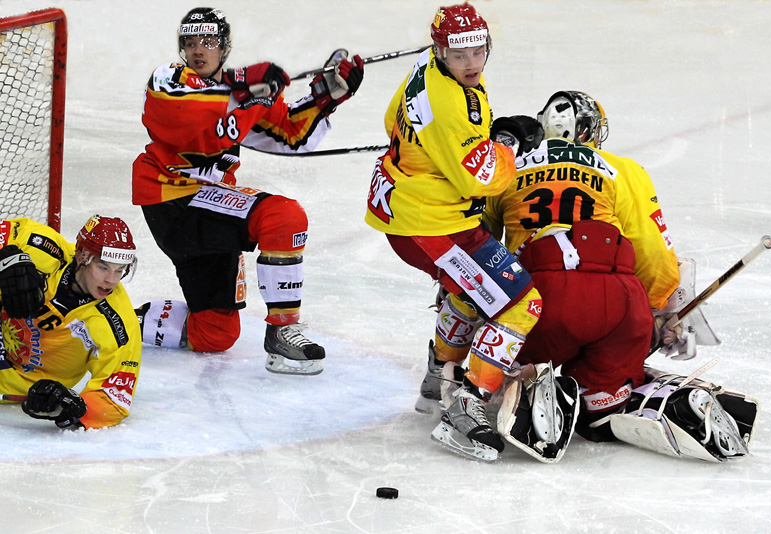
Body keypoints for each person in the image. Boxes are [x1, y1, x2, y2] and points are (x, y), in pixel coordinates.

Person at [485, 91, 757, 462]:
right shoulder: (621, 169)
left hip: (543, 302)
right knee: (603, 408)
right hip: (618, 302)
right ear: (585, 131)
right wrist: (658, 316)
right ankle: (637, 398)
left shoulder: (507, 167)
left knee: (507, 365)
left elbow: (478, 247)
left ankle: (538, 386)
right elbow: (653, 252)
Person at [132, 7, 364, 375]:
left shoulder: (242, 93)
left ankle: (121, 319)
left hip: (212, 207)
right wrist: (246, 86)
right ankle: (283, 331)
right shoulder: (169, 79)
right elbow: (191, 116)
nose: (198, 51)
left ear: (223, 47)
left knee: (214, 335)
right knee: (283, 216)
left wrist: (327, 98)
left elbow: (290, 135)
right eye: (190, 43)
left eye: (207, 42)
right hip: (172, 202)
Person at [364, 3, 543, 461]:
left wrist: (425, 158)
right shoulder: (450, 101)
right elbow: (478, 179)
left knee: (469, 290)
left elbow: (392, 122)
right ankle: (467, 402)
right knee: (522, 301)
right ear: (440, 49)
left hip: (418, 214)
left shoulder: (425, 70)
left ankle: (437, 377)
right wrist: (506, 145)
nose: (470, 62)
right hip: (433, 227)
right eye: (459, 53)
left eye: (477, 51)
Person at [0, 215, 141, 429]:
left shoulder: (117, 323)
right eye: (103, 267)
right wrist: (6, 257)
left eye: (120, 270)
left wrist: (68, 406)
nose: (111, 280)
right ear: (82, 256)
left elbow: (114, 400)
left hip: (13, 380)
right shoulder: (41, 246)